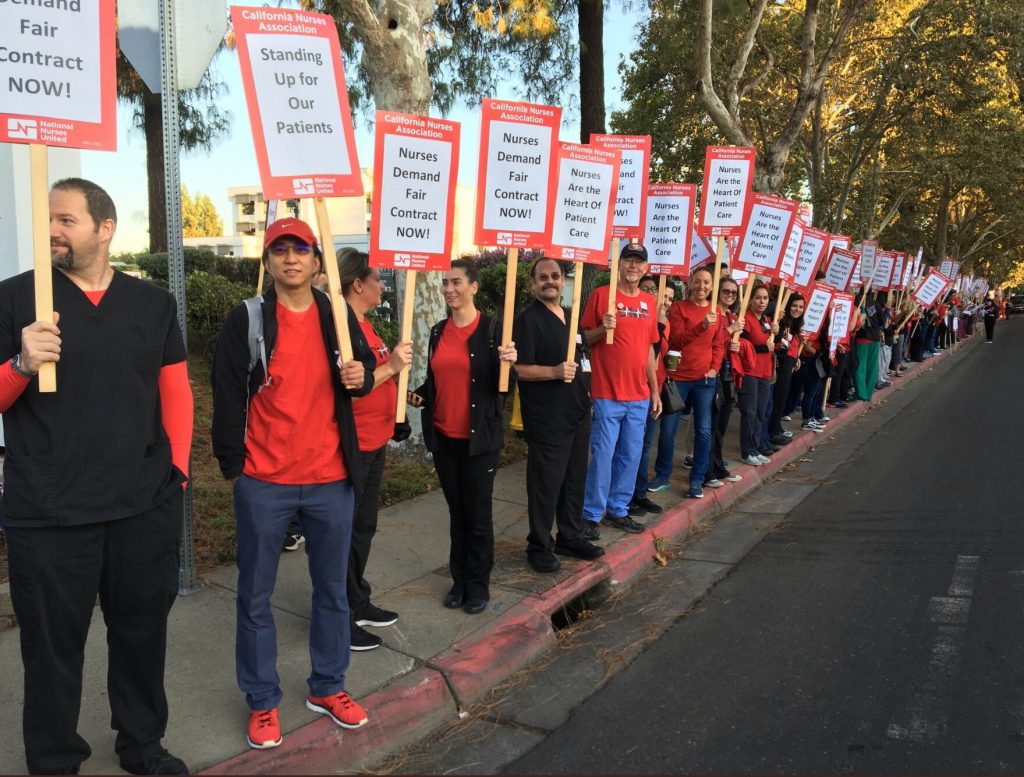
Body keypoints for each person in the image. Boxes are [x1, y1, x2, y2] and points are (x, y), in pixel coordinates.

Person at [0, 178, 192, 775]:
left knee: (141, 637)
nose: (52, 231)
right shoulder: (15, 300)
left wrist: (177, 475)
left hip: (141, 505)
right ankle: (55, 758)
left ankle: (141, 744)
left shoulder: (152, 303)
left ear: (105, 229)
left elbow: (175, 393)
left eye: (66, 220)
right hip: (50, 511)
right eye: (48, 220)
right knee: (52, 649)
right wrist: (20, 363)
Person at [211, 218, 374, 750]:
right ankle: (262, 701)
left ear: (316, 260)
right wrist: (235, 467)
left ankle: (328, 686)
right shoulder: (249, 319)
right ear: (268, 261)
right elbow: (227, 391)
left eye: (300, 249)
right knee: (255, 597)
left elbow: (366, 368)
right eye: (279, 250)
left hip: (331, 481)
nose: (290, 258)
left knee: (331, 592)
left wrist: (362, 376)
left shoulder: (338, 315)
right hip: (265, 481)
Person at [409, 259, 517, 614]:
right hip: (444, 438)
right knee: (457, 514)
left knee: (478, 515)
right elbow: (438, 379)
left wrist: (509, 363)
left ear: (474, 287)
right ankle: (459, 579)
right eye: (445, 283)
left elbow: (503, 388)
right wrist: (421, 392)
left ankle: (477, 584)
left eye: (456, 282)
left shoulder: (492, 332)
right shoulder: (439, 331)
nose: (449, 289)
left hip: (478, 441)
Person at [336, 248, 413, 651]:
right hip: (355, 444)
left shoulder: (365, 324)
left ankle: (357, 599)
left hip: (375, 440)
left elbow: (381, 375)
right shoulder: (343, 327)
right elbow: (356, 382)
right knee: (346, 532)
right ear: (358, 284)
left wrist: (405, 394)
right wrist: (393, 367)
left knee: (363, 527)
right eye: (378, 278)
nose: (383, 284)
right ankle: (340, 616)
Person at [513, 258, 605, 573]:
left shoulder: (570, 316)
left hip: (578, 414)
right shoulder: (527, 320)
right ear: (532, 284)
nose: (550, 281)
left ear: (563, 280)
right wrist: (553, 371)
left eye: (555, 276)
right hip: (547, 418)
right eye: (542, 277)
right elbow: (519, 369)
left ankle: (570, 536)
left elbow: (582, 356)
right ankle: (539, 545)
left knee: (574, 481)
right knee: (545, 485)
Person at [580, 241, 662, 536]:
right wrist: (604, 328)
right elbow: (584, 339)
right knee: (603, 454)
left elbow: (649, 351)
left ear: (645, 268)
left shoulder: (649, 303)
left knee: (630, 455)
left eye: (639, 262)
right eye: (628, 260)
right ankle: (591, 514)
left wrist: (654, 390)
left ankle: (618, 509)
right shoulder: (602, 296)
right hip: (607, 392)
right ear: (619, 264)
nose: (633, 266)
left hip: (639, 396)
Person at [653, 266, 725, 499]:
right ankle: (663, 475)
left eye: (706, 282)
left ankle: (697, 480)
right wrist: (702, 325)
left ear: (712, 286)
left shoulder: (717, 313)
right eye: (697, 282)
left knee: (703, 430)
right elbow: (676, 341)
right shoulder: (679, 308)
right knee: (668, 430)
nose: (701, 287)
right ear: (690, 284)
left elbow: (719, 344)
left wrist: (715, 368)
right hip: (678, 379)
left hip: (704, 381)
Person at [630, 276, 676, 513]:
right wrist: (657, 324)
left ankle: (639, 492)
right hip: (639, 387)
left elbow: (660, 355)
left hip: (656, 388)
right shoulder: (643, 318)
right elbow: (648, 352)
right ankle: (627, 496)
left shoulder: (665, 322)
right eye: (661, 295)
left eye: (669, 298)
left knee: (646, 444)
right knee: (632, 446)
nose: (665, 301)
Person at [733, 283, 778, 466]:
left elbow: (772, 345)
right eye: (758, 297)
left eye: (765, 298)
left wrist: (776, 332)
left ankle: (755, 447)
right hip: (749, 372)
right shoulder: (744, 319)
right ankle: (747, 451)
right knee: (749, 412)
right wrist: (762, 347)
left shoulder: (767, 320)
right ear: (750, 299)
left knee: (760, 412)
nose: (761, 301)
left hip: (765, 373)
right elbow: (743, 345)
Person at [768, 293, 804, 445]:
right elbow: (777, 343)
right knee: (777, 397)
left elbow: (791, 345)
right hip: (779, 364)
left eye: (801, 307)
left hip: (788, 363)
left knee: (782, 396)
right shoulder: (780, 320)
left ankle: (777, 427)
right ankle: (772, 431)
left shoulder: (795, 325)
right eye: (794, 306)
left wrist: (796, 358)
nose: (797, 309)